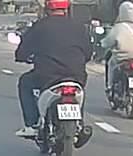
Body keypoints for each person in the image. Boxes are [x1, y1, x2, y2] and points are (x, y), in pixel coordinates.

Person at [14, 0, 91, 138]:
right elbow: (88, 53)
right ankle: (80, 123)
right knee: (79, 89)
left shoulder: (40, 26)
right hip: (76, 75)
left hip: (47, 76)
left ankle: (32, 124)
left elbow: (23, 51)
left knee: (25, 82)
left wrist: (23, 57)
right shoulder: (79, 27)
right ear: (66, 9)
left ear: (47, 9)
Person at [101, 1, 133, 96]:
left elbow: (109, 41)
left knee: (110, 64)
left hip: (121, 57)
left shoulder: (118, 27)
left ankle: (110, 86)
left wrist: (103, 43)